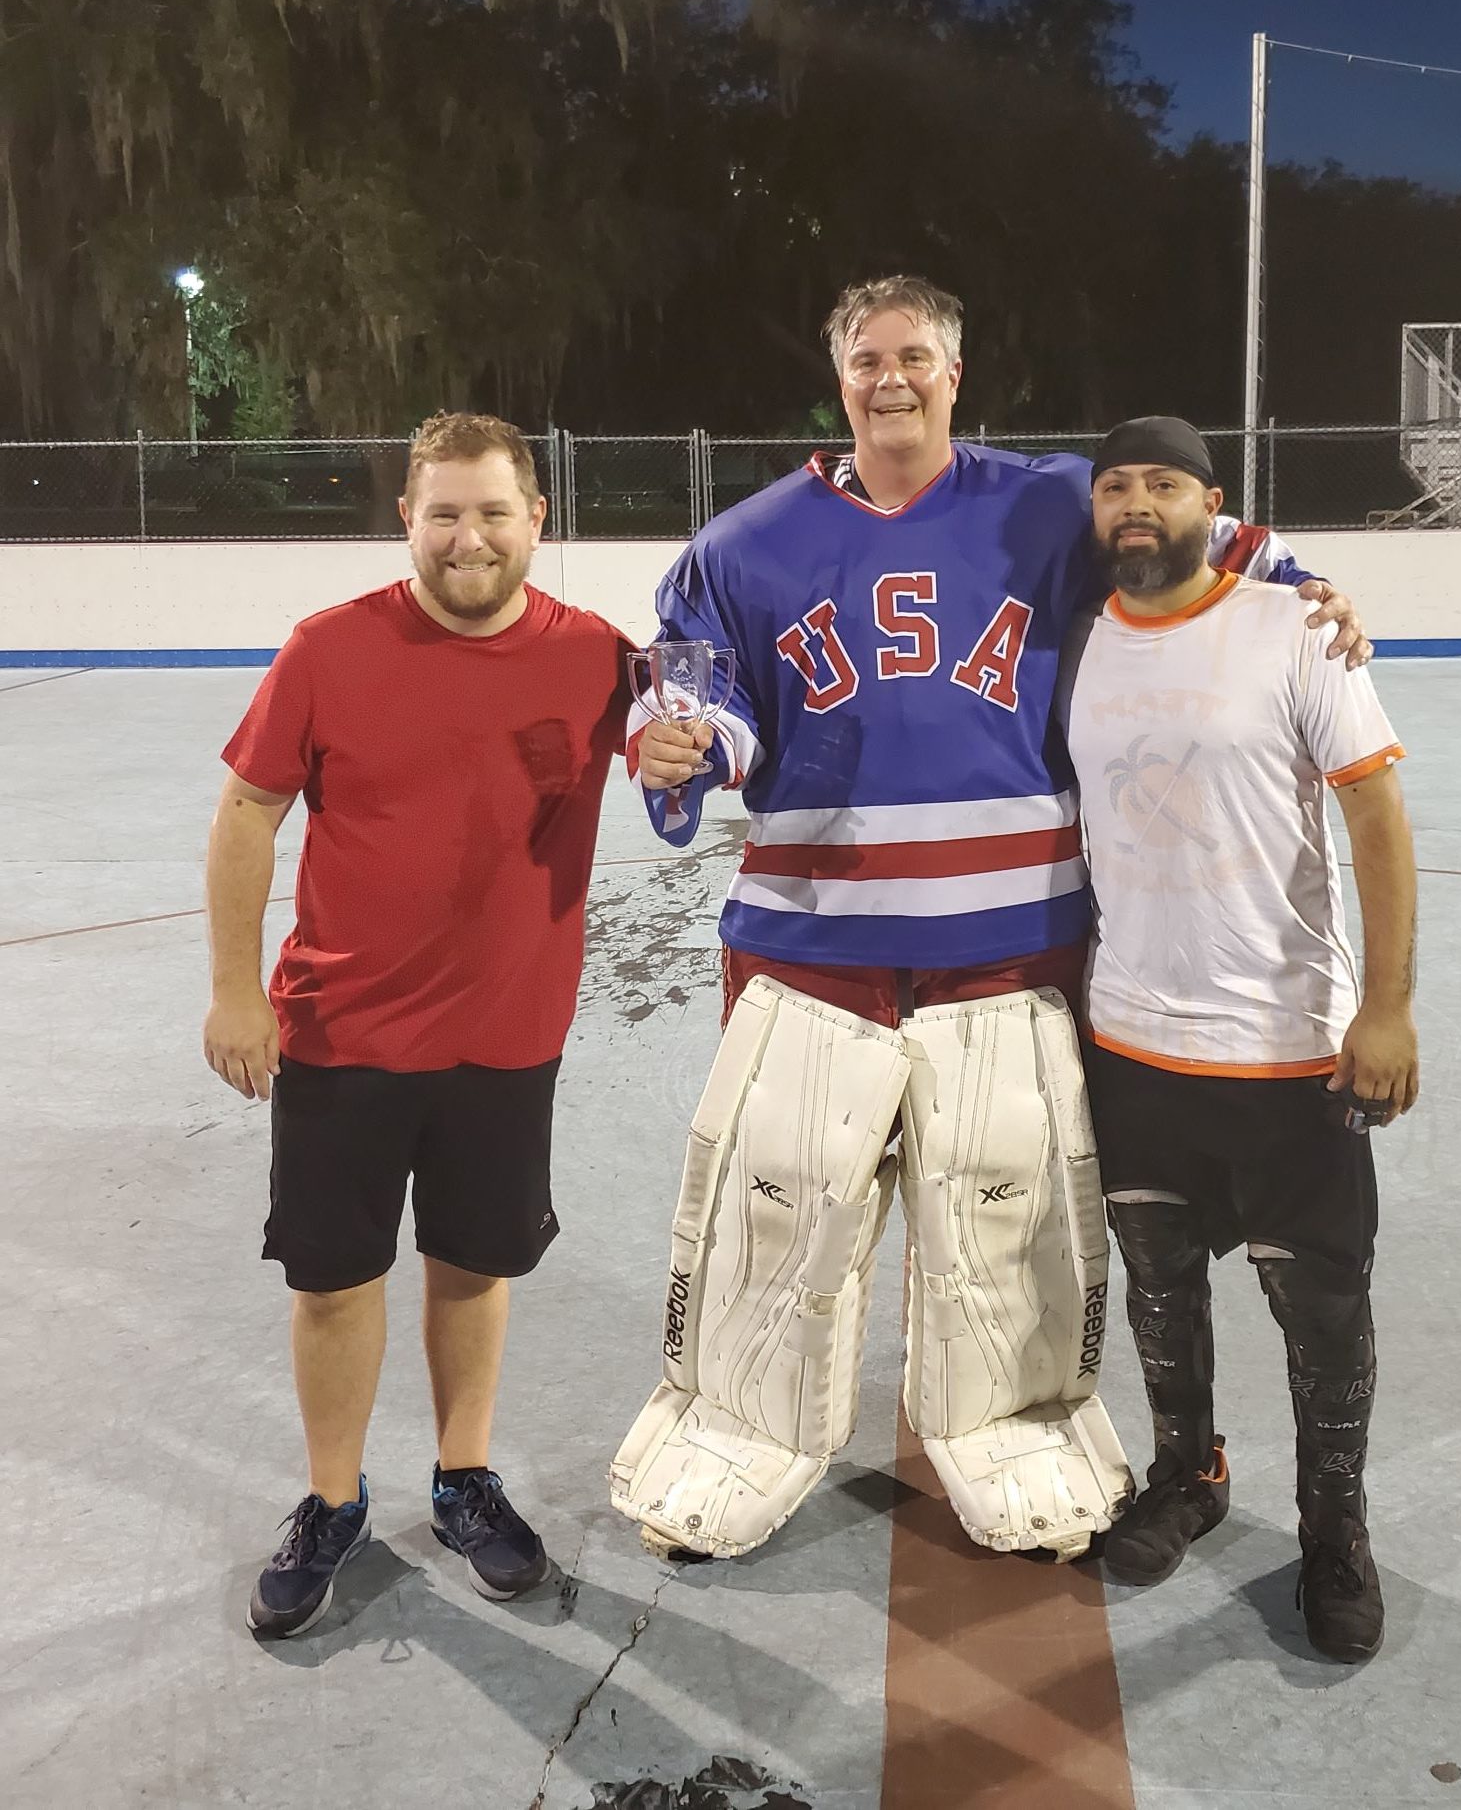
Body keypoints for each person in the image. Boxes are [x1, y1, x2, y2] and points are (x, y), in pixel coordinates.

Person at [612, 276, 1373, 1565]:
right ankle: (738, 1425)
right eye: (866, 358)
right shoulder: (739, 544)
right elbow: (698, 695)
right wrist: (682, 745)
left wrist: (1310, 587)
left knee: (1009, 1211)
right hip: (810, 948)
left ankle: (1016, 1422)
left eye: (914, 356)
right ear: (837, 375)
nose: (889, 378)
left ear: (956, 374)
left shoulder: (1050, 498)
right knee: (779, 1204)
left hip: (1010, 950)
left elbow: (1210, 540)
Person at [202, 412, 632, 1640]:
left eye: (494, 510)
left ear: (537, 519)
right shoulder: (330, 650)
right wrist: (239, 992)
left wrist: (675, 752)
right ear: (407, 519)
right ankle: (332, 1502)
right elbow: (246, 814)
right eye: (443, 511)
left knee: (473, 1265)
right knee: (335, 1279)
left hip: (508, 1032)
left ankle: (464, 1478)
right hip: (343, 1034)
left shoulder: (598, 655)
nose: (468, 537)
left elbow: (690, 750)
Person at [1061, 414, 1418, 1661]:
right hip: (1133, 1040)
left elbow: (1377, 816)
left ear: (1216, 502)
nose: (1136, 503)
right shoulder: (1079, 643)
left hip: (1284, 1048)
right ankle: (1187, 1475)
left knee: (1322, 1313)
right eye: (1115, 486)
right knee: (1160, 1290)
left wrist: (1386, 1006)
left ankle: (1335, 1536)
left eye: (1163, 482)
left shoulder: (1295, 629)